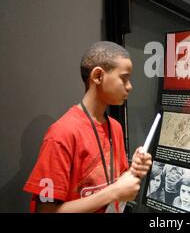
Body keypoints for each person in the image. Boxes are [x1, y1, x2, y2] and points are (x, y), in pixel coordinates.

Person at [23, 41, 152, 213]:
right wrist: (113, 192)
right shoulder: (62, 134)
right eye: (124, 78)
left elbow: (116, 183)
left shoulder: (115, 128)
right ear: (98, 76)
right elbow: (45, 211)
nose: (129, 86)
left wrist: (134, 170)